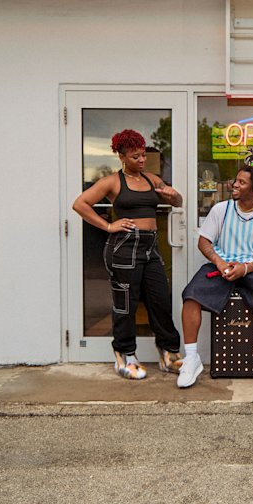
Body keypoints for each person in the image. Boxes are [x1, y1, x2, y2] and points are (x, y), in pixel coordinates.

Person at [72, 129, 183, 380]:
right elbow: (80, 204)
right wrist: (108, 226)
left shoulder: (152, 179)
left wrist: (174, 196)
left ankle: (169, 354)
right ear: (121, 156)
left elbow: (178, 202)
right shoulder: (112, 181)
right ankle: (125, 355)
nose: (142, 160)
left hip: (150, 247)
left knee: (160, 300)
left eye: (143, 155)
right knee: (126, 304)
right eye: (135, 157)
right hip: (124, 247)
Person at [177, 164, 253, 388]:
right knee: (191, 296)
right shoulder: (221, 209)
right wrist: (220, 263)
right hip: (222, 265)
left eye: (241, 182)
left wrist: (245, 268)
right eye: (235, 180)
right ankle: (191, 358)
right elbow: (204, 242)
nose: (234, 185)